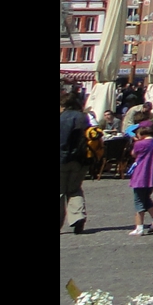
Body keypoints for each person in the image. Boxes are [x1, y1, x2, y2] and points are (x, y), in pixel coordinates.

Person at [127, 107, 153, 236]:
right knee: (146, 198)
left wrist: (135, 142)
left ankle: (139, 227)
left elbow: (133, 154)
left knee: (138, 201)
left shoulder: (139, 144)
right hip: (152, 175)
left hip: (139, 175)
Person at [61, 88, 92, 234]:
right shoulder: (83, 117)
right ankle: (78, 216)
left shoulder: (61, 118)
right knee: (74, 188)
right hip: (81, 159)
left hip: (62, 158)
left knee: (60, 191)